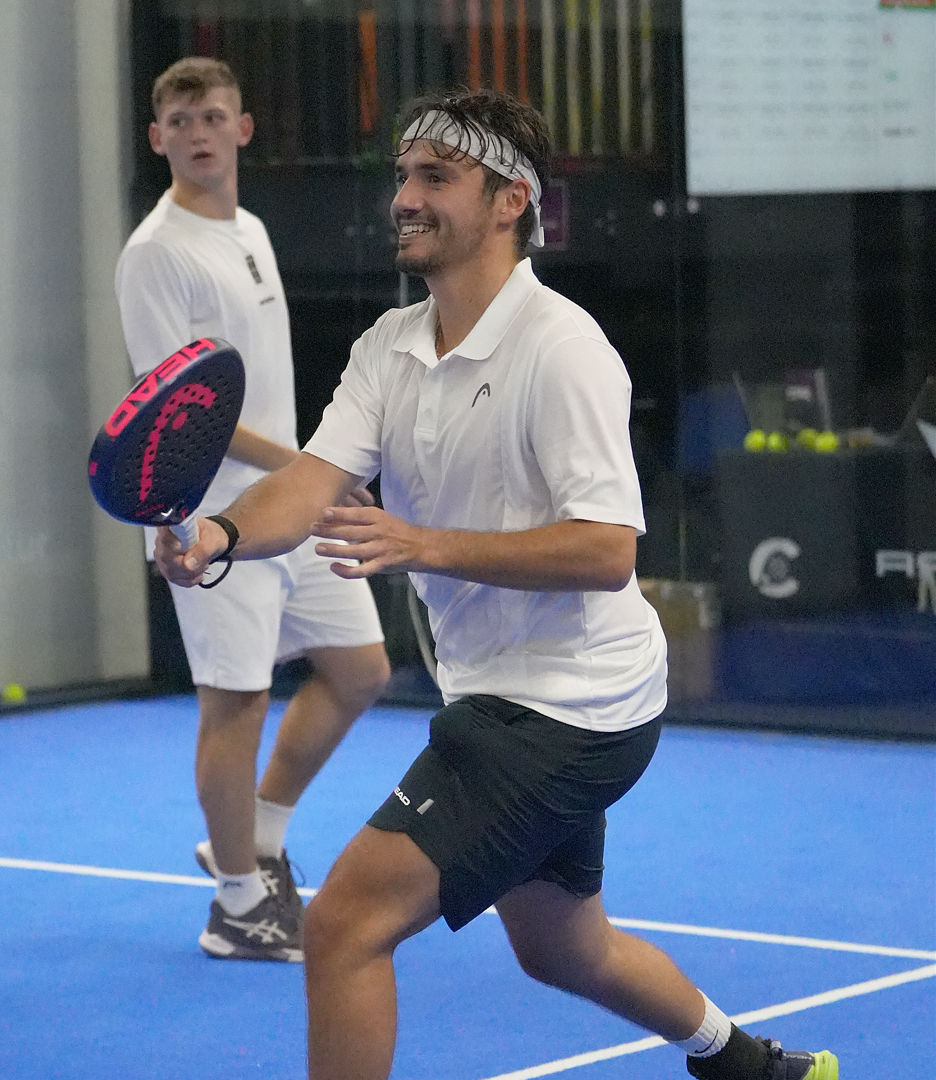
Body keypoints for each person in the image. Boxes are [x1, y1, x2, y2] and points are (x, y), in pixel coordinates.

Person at [154, 86, 838, 1079]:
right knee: (562, 948)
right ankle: (748, 1065)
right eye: (403, 175)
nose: (405, 197)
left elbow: (607, 551)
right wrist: (218, 536)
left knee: (343, 924)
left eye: (436, 176)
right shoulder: (387, 347)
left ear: (511, 200)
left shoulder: (563, 349)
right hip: (499, 691)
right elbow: (308, 485)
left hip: (572, 706)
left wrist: (425, 545)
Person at [115, 57, 391, 963]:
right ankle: (238, 904)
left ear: (242, 129)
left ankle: (256, 833)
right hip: (208, 518)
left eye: (213, 117)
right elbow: (182, 409)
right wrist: (313, 468)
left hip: (290, 501)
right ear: (157, 139)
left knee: (360, 671)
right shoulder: (155, 255)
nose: (198, 132)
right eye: (180, 120)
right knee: (235, 702)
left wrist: (306, 477)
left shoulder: (251, 230)